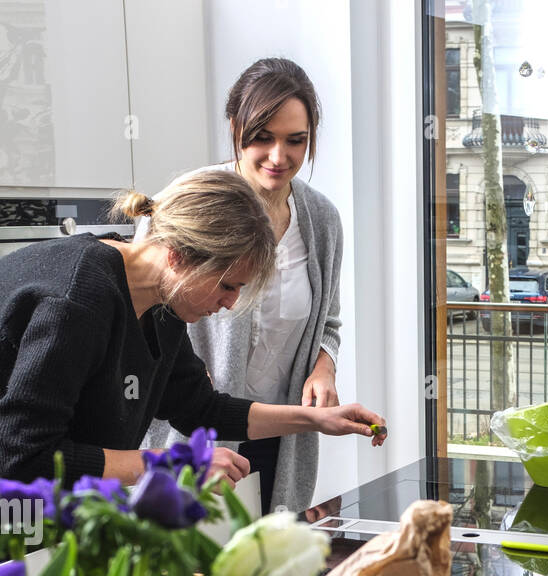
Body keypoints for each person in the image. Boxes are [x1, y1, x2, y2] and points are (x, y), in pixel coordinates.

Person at [0, 168, 385, 487]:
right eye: (227, 285)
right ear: (179, 256)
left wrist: (316, 420)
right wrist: (176, 463)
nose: (231, 303)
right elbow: (24, 454)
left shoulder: (160, 305)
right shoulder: (78, 302)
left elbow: (201, 408)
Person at [141, 57, 345, 515]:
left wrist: (323, 368)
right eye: (262, 138)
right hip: (195, 434)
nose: (279, 157)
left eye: (296, 141)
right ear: (235, 127)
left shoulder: (323, 220)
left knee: (266, 570)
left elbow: (327, 319)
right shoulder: (192, 200)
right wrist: (187, 370)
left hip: (280, 432)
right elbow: (142, 311)